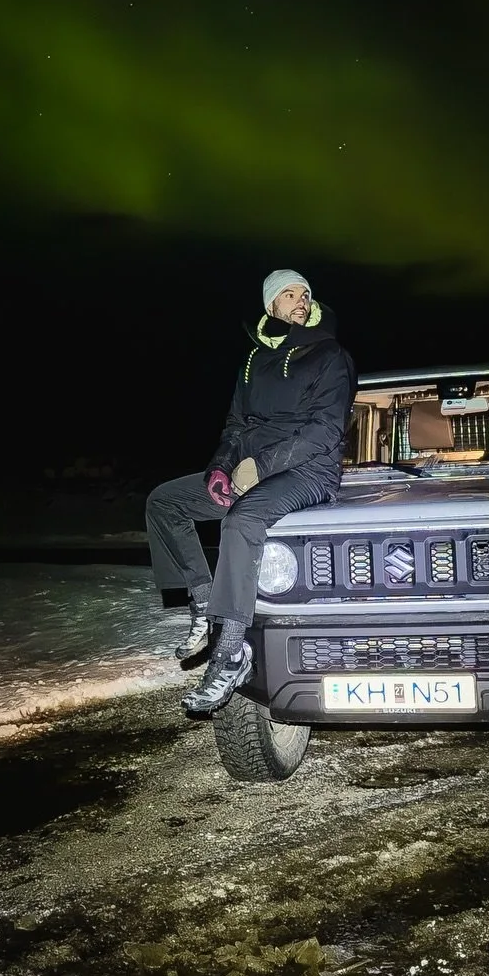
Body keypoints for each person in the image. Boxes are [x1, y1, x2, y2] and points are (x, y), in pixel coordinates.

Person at [146, 269, 356, 717]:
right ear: (270, 306)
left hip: (308, 472)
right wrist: (221, 469)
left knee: (241, 520)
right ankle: (203, 600)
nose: (300, 300)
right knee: (165, 502)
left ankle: (231, 651)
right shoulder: (252, 361)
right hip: (248, 469)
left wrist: (258, 468)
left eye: (306, 293)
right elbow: (236, 426)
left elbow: (325, 430)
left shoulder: (330, 355)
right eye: (289, 294)